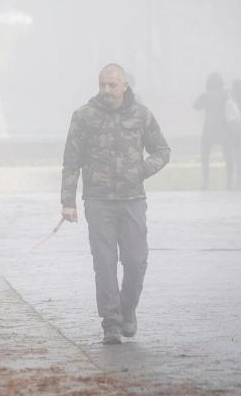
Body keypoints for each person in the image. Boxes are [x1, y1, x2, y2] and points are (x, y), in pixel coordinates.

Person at [61, 64, 170, 345]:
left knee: (136, 261)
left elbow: (162, 150)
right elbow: (71, 161)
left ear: (124, 86)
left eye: (111, 85)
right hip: (98, 201)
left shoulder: (142, 115)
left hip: (133, 200)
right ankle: (110, 322)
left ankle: (127, 309)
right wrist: (68, 202)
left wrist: (142, 170)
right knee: (105, 263)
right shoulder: (84, 117)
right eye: (102, 85)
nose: (106, 91)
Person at [194, 73, 234, 190]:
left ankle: (205, 182)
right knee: (228, 156)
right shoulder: (225, 95)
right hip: (224, 129)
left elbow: (196, 106)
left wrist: (203, 97)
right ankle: (229, 182)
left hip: (208, 129)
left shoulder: (205, 95)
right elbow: (231, 107)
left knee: (205, 156)